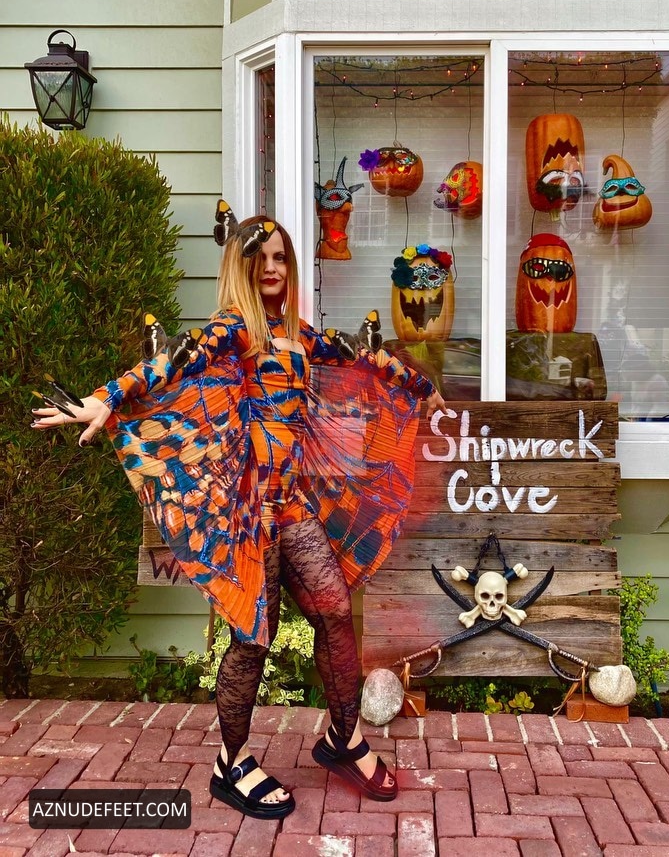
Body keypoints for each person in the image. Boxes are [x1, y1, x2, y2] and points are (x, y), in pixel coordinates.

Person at [31, 205, 446, 821]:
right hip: (249, 508)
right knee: (254, 636)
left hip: (294, 505)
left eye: (281, 257)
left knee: (335, 612)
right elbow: (173, 362)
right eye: (261, 258)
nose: (273, 267)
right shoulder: (234, 330)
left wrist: (418, 386)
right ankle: (231, 763)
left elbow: (359, 360)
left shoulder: (299, 334)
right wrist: (105, 398)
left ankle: (344, 739)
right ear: (240, 265)